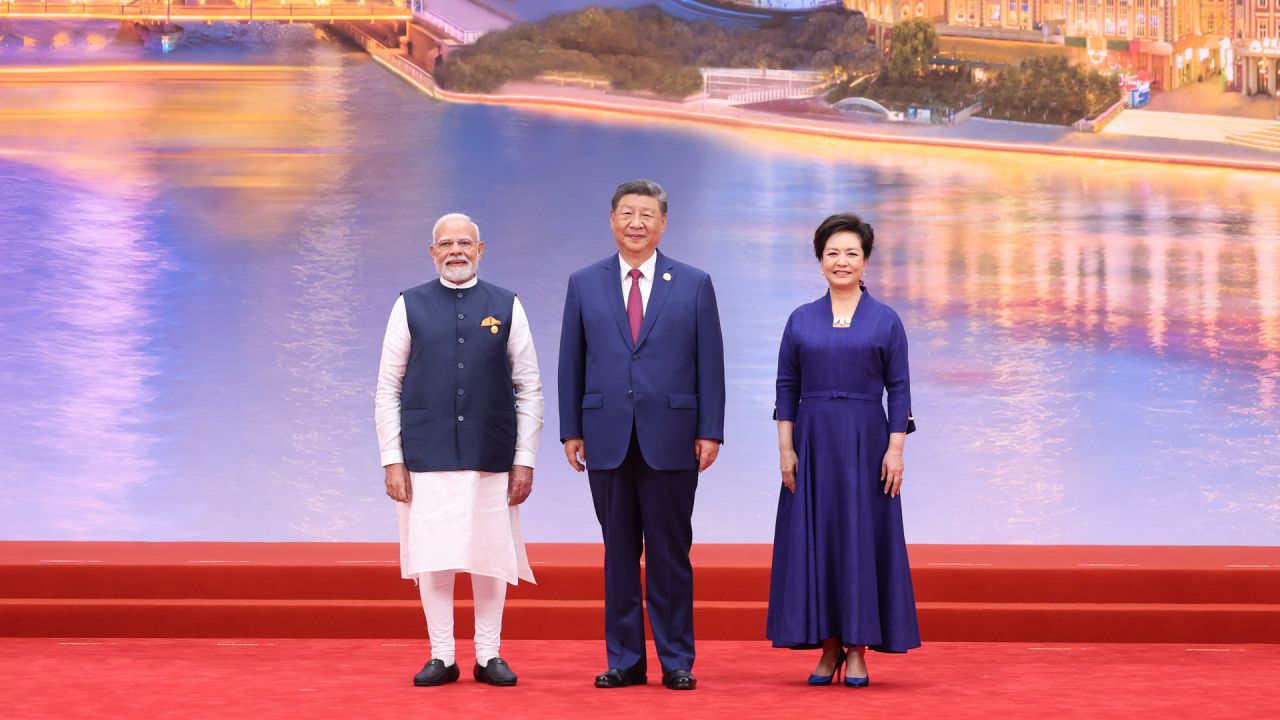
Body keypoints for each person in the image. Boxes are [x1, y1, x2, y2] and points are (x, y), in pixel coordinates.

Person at [558, 179, 726, 691]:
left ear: (663, 224)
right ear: (612, 220)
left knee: (671, 554)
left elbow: (710, 364)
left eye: (647, 214)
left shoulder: (694, 283)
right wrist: (571, 430)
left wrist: (710, 431)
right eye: (627, 213)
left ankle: (677, 659)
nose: (637, 223)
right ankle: (625, 659)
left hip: (673, 436)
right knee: (619, 553)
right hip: (605, 434)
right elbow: (572, 361)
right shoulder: (584, 282)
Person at [374, 213, 544, 688]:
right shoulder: (409, 305)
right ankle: (442, 655)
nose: (456, 251)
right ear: (432, 252)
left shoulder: (507, 305)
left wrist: (524, 458)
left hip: (491, 452)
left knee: (491, 555)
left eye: (464, 243)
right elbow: (387, 387)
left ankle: (489, 653)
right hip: (425, 453)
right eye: (446, 244)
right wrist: (392, 458)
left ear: (480, 249)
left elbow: (529, 387)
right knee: (434, 555)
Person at [766, 213, 920, 687]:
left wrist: (896, 451)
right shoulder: (801, 318)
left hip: (866, 442)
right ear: (819, 260)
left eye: (851, 252)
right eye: (832, 252)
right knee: (818, 539)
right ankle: (827, 648)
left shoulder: (886, 320)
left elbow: (900, 390)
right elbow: (786, 387)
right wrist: (785, 449)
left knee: (859, 539)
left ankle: (857, 649)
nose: (841, 260)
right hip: (811, 443)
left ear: (866, 260)